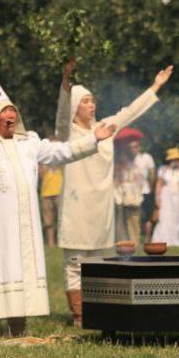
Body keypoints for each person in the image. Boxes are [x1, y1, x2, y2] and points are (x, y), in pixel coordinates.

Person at [0, 81, 111, 338]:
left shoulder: (28, 142)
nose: (10, 115)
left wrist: (92, 140)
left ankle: (18, 326)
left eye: (12, 111)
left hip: (25, 223)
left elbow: (61, 152)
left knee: (22, 269)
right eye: (3, 112)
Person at [55, 63, 170, 326]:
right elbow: (62, 111)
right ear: (75, 107)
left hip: (102, 207)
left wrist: (156, 85)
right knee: (75, 264)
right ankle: (79, 315)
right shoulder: (67, 132)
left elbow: (131, 112)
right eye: (85, 101)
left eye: (92, 101)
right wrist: (66, 79)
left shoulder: (106, 127)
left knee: (98, 263)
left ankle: (97, 311)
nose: (91, 105)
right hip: (76, 205)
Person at [151, 148, 179, 246]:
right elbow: (159, 184)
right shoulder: (163, 170)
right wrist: (157, 199)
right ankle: (165, 240)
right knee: (166, 217)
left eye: (178, 159)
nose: (177, 161)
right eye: (175, 159)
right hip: (166, 198)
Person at [128, 138, 157, 242]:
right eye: (131, 147)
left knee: (147, 217)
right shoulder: (128, 160)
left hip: (145, 191)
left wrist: (151, 186)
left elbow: (152, 172)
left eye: (135, 147)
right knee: (136, 216)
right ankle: (136, 237)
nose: (133, 149)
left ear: (139, 147)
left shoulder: (146, 157)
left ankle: (147, 238)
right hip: (132, 193)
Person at [112, 145, 142, 246]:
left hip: (132, 198)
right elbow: (114, 183)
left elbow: (138, 184)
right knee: (120, 223)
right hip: (119, 198)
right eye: (121, 155)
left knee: (134, 222)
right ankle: (122, 244)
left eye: (125, 155)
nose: (123, 158)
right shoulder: (116, 168)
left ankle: (135, 243)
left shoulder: (134, 167)